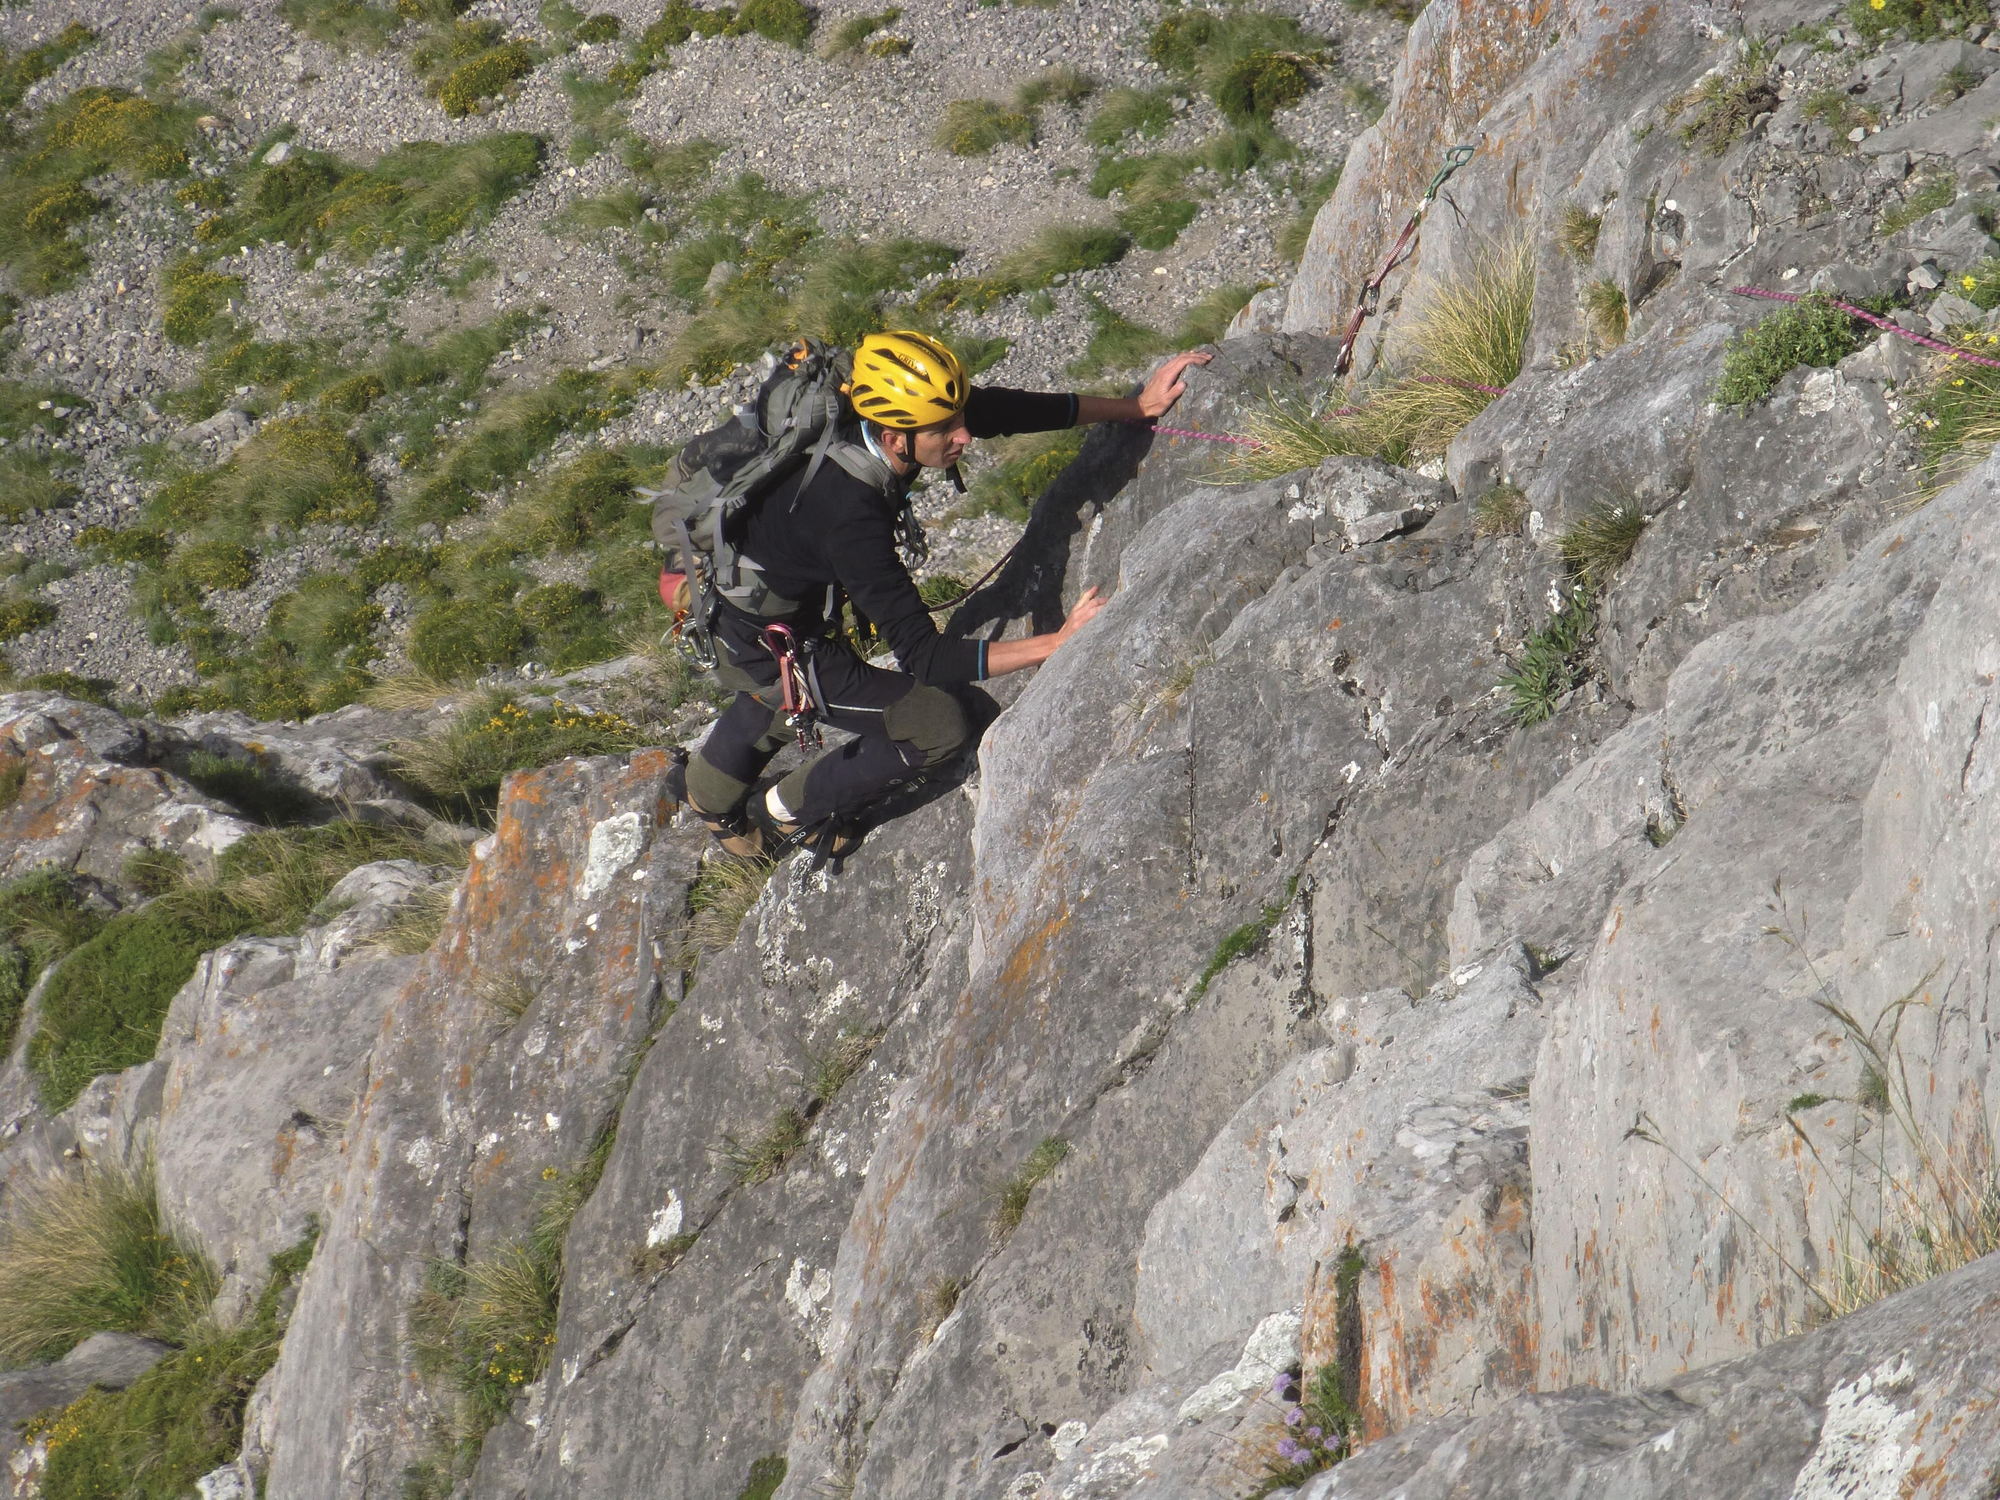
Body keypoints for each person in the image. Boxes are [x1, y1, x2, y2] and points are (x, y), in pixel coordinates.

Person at [681, 328, 1212, 861]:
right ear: (894, 439)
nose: (965, 437)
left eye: (957, 419)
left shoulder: (875, 417)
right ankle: (782, 813)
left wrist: (1135, 406)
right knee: (937, 724)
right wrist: (1055, 643)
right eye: (946, 430)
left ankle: (709, 792)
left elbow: (1001, 410)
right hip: (774, 639)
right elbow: (927, 657)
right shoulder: (849, 516)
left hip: (759, 606)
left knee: (774, 687)